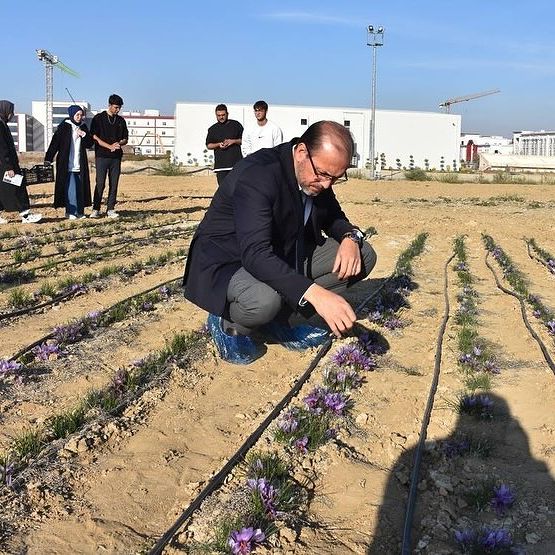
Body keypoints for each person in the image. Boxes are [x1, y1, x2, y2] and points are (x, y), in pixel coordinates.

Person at [184, 120, 376, 364]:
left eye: (336, 178)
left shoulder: (315, 174)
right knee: (263, 301)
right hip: (230, 260)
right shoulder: (259, 175)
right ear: (301, 152)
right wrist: (314, 294)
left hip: (282, 250)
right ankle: (227, 321)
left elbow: (334, 216)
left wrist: (350, 237)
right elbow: (255, 253)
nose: (327, 184)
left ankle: (279, 319)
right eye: (324, 175)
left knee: (363, 255)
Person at [44, 105, 94, 220]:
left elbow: (89, 144)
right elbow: (54, 143)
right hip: (67, 164)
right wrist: (48, 158)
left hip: (80, 164)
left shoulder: (83, 127)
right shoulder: (64, 127)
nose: (79, 117)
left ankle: (80, 212)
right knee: (71, 190)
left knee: (80, 189)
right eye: (77, 115)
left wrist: (84, 135)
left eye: (81, 115)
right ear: (72, 115)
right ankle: (70, 212)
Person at [0, 100, 42, 224]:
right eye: (11, 111)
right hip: (6, 165)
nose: (12, 114)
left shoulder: (2, 124)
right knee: (18, 188)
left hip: (4, 164)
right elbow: (2, 148)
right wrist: (8, 166)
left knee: (3, 189)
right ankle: (25, 215)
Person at [89, 94, 128, 218]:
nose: (117, 110)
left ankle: (110, 208)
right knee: (100, 183)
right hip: (101, 156)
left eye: (119, 108)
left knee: (114, 183)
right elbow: (94, 136)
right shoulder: (98, 118)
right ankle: (96, 209)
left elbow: (125, 138)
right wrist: (108, 146)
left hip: (116, 158)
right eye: (116, 107)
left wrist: (119, 143)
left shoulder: (121, 121)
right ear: (109, 105)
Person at [205, 104, 243, 186]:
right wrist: (219, 144)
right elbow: (208, 145)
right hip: (220, 167)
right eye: (219, 115)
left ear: (227, 114)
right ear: (216, 115)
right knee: (223, 191)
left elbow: (244, 140)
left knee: (236, 189)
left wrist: (233, 141)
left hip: (236, 165)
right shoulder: (212, 129)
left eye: (223, 115)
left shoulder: (236, 125)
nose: (221, 117)